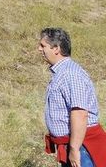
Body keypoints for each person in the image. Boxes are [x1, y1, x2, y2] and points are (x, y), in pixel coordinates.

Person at [39, 28, 106, 167]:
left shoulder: (71, 74)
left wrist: (75, 149)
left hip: (83, 147)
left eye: (43, 46)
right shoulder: (62, 72)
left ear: (56, 48)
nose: (39, 49)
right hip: (75, 144)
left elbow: (80, 113)